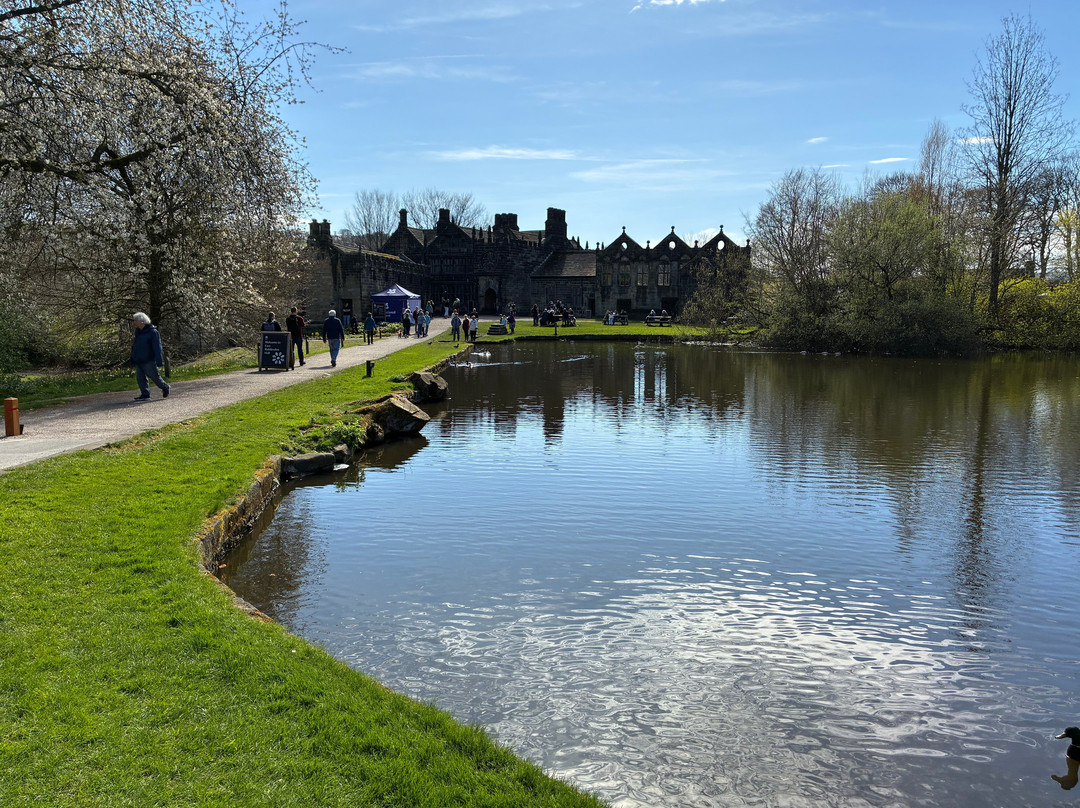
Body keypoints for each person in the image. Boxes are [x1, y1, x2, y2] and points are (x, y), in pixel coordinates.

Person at [130, 312, 170, 400]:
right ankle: (145, 394)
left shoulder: (153, 332)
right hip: (139, 359)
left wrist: (159, 361)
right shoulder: (138, 332)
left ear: (142, 322)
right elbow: (136, 346)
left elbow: (157, 347)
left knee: (154, 377)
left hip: (149, 359)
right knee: (140, 378)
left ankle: (165, 387)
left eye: (136, 320)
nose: (134, 322)